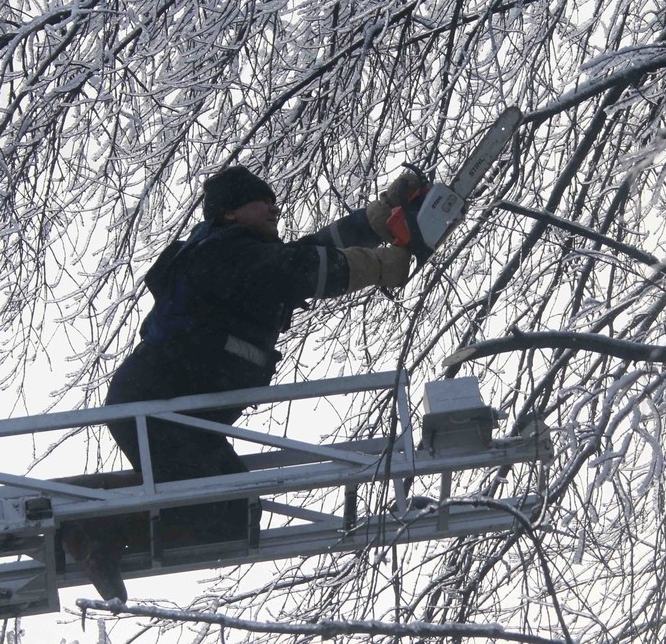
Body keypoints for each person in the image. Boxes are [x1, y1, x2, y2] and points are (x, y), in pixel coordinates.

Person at [61, 165, 420, 601]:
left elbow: (310, 251)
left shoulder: (237, 255)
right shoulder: (226, 255)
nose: (275, 207)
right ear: (230, 214)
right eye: (261, 201)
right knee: (228, 513)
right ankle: (88, 528)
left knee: (224, 507)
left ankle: (85, 520)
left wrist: (379, 219)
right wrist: (384, 265)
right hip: (158, 410)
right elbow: (300, 268)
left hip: (167, 408)